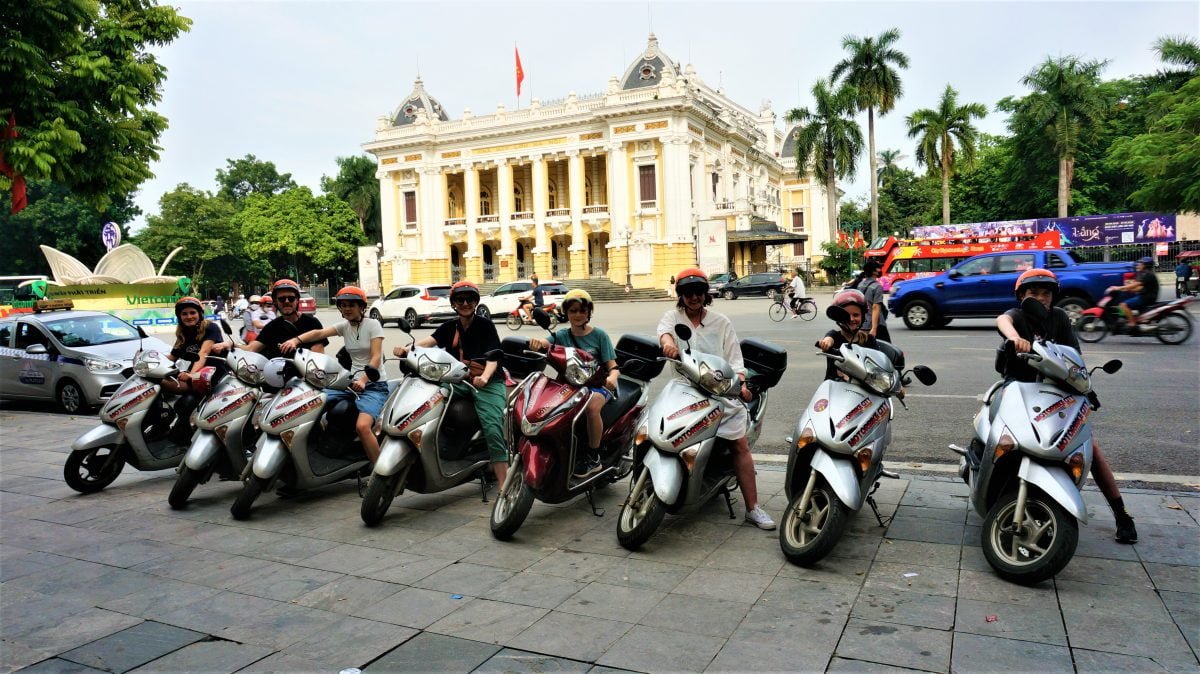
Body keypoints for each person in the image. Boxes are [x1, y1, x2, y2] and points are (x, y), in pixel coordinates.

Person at [996, 269, 1137, 544]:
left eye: (1046, 293)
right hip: (1020, 387)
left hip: (1057, 391)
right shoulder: (1017, 316)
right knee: (1002, 433)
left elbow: (1075, 358)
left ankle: (1122, 513)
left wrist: (1085, 387)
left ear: (1053, 297)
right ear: (1022, 296)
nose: (1041, 298)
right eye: (1033, 293)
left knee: (1090, 448)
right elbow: (1003, 320)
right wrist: (1014, 337)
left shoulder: (1059, 318)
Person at [658, 268, 775, 531]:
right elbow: (664, 333)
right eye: (688, 292)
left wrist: (741, 384)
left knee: (740, 446)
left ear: (705, 294)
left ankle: (753, 508)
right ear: (681, 295)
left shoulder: (721, 322)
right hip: (684, 389)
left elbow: (735, 360)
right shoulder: (672, 317)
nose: (694, 297)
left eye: (698, 292)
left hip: (718, 392)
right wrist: (668, 345)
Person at [393, 281, 508, 484]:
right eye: (459, 299)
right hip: (458, 380)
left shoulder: (485, 325)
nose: (465, 303)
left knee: (492, 428)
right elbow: (426, 343)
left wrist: (485, 377)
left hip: (486, 383)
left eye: (469, 299)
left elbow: (493, 357)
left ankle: (503, 486)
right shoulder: (449, 327)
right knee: (427, 403)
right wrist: (405, 349)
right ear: (453, 303)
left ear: (476, 302)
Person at [280, 286, 386, 463]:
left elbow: (376, 357)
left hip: (373, 384)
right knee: (309, 403)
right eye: (343, 305)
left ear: (361, 307)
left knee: (362, 427)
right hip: (350, 383)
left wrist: (364, 379)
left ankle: (382, 474)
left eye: (351, 305)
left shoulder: (372, 325)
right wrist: (295, 340)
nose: (346, 309)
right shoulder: (345, 326)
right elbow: (319, 333)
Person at [528, 289, 619, 478]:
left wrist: (612, 378)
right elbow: (545, 343)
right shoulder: (561, 335)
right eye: (573, 311)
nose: (577, 315)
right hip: (569, 387)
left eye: (582, 311)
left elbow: (613, 366)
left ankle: (594, 456)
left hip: (597, 386)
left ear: (589, 313)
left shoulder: (600, 336)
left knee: (592, 408)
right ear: (566, 313)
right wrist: (536, 343)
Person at [218, 279, 327, 359]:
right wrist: (231, 344)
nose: (287, 301)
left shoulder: (312, 323)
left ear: (297, 300)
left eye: (291, 298)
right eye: (282, 299)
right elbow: (251, 349)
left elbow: (318, 358)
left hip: (305, 380)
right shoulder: (272, 326)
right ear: (275, 302)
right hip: (276, 379)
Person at [816, 289, 880, 381]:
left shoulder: (868, 339)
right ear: (837, 317)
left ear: (863, 316)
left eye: (856, 315)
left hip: (864, 388)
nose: (851, 319)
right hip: (834, 387)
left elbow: (880, 363)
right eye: (846, 315)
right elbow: (829, 339)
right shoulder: (834, 335)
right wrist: (825, 343)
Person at [1109, 257, 1159, 331]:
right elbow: (1139, 288)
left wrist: (1118, 288)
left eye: (1140, 263)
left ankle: (1133, 324)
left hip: (1146, 297)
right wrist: (1126, 289)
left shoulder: (1147, 274)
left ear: (1145, 265)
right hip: (1146, 296)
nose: (1138, 265)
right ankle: (1136, 320)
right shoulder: (1145, 273)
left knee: (1123, 305)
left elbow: (1135, 284)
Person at [859, 260, 891, 342]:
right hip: (876, 325)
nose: (880, 270)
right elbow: (876, 307)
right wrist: (874, 328)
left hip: (862, 324)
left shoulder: (860, 285)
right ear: (874, 271)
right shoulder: (877, 286)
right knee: (887, 350)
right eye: (878, 268)